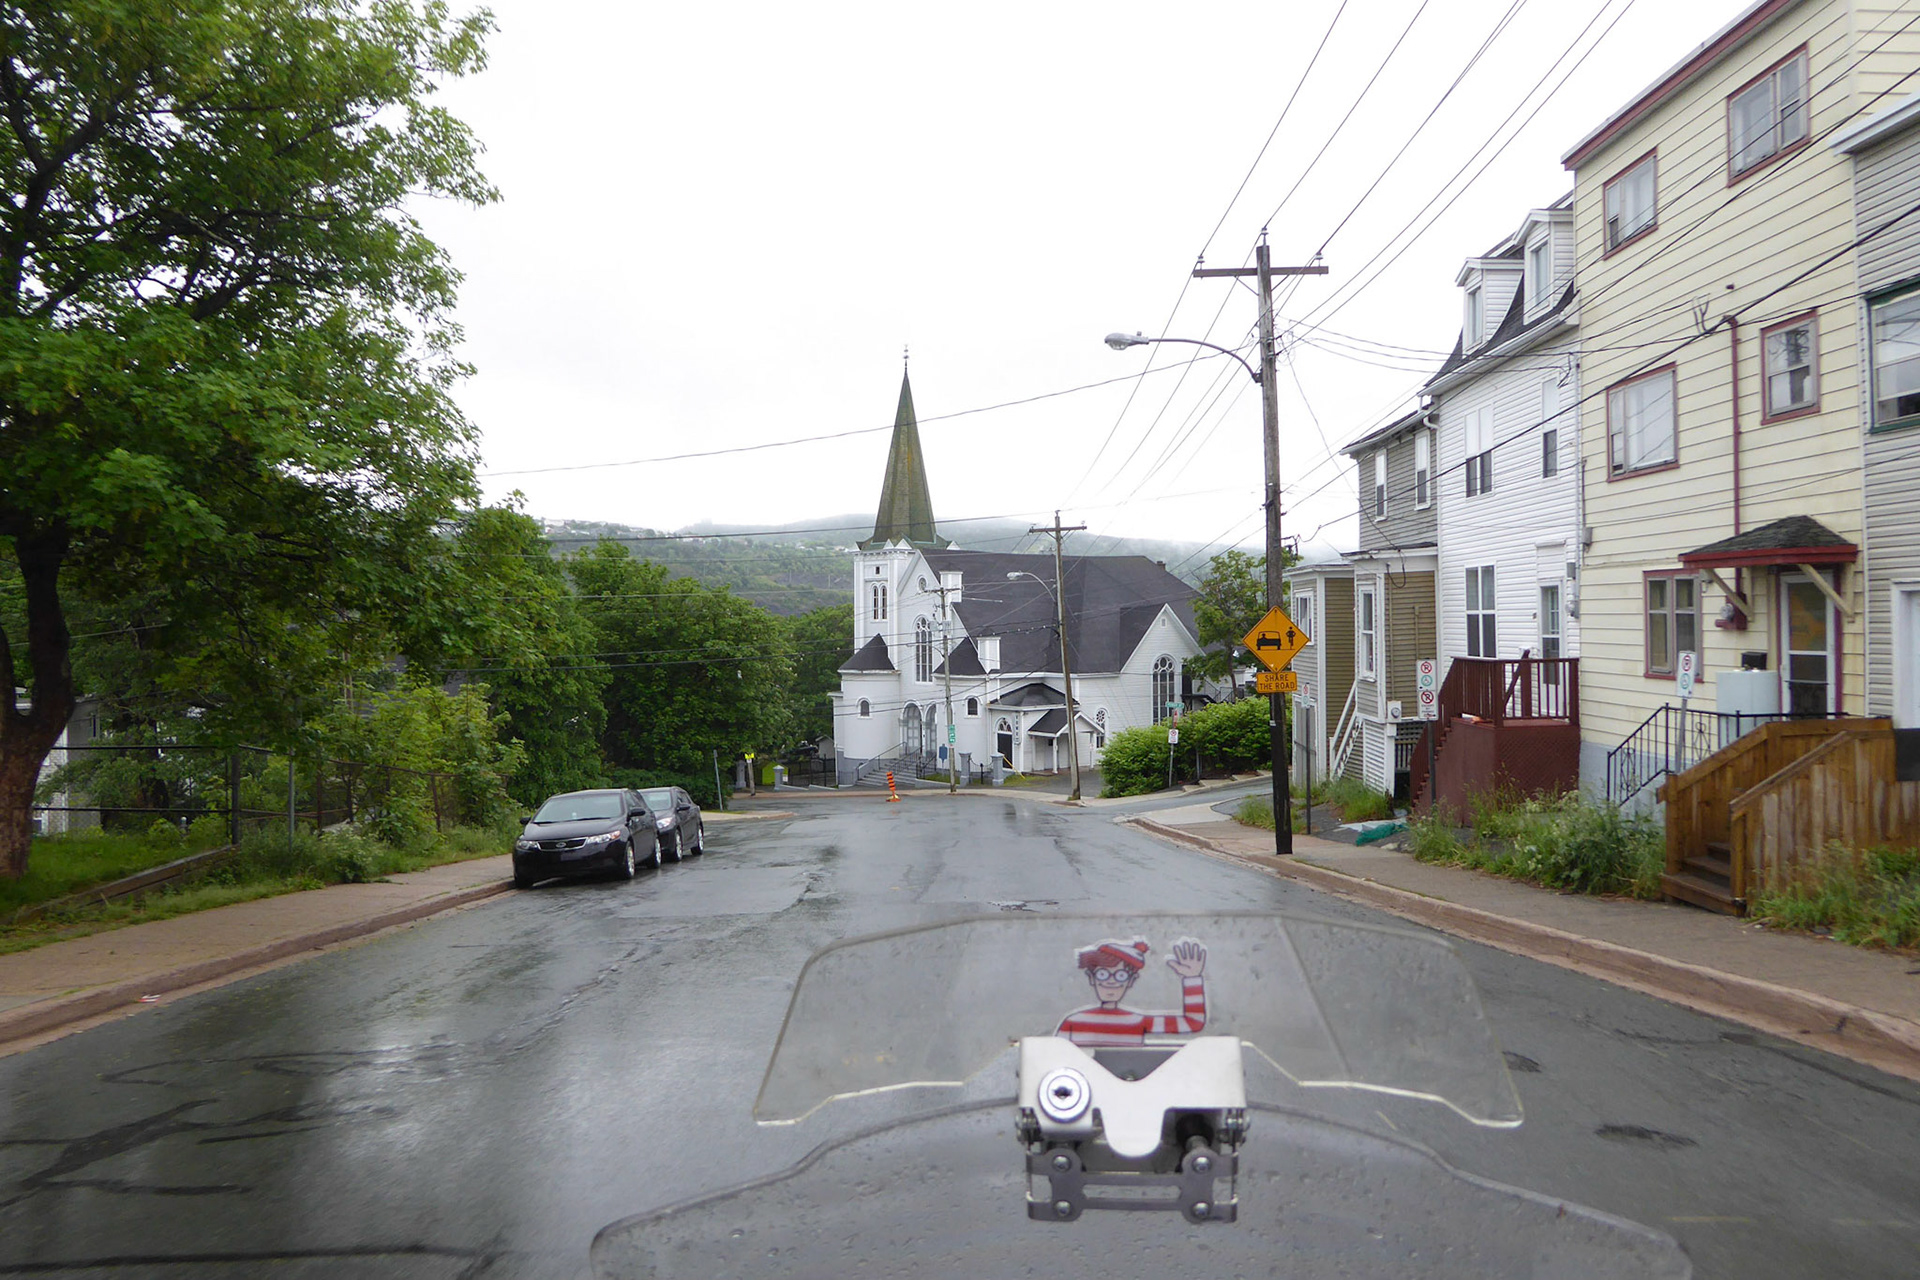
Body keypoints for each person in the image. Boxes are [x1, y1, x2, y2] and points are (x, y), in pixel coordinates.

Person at [1055, 937, 1206, 1046]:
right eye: (1103, 974)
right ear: (1092, 978)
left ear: (1131, 981)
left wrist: (1192, 979)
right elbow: (1052, 1056)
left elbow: (1193, 1022)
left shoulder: (1136, 1020)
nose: (1111, 981)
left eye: (1121, 976)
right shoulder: (1073, 1022)